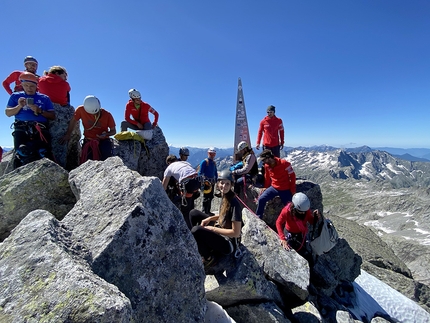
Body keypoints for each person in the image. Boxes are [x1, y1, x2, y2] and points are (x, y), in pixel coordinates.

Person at [189, 170, 242, 267]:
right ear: (218, 183)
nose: (224, 186)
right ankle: (199, 244)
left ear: (231, 186)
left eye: (227, 184)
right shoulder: (225, 195)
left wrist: (212, 229)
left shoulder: (234, 204)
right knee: (193, 213)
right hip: (220, 229)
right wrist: (209, 219)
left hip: (228, 243)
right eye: (222, 183)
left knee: (196, 230)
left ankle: (209, 258)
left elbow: (236, 232)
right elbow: (224, 215)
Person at [5, 72, 55, 168]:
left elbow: (52, 116)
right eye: (26, 85)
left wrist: (39, 110)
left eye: (32, 86)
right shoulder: (15, 97)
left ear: (36, 85)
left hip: (40, 128)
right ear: (22, 85)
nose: (29, 88)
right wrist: (19, 106)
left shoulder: (44, 98)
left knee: (43, 151)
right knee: (22, 152)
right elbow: (8, 113)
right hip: (21, 128)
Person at [61, 95, 116, 164]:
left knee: (106, 157)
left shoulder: (107, 115)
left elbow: (113, 131)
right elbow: (74, 120)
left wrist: (106, 134)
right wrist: (68, 134)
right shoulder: (81, 110)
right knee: (87, 161)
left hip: (103, 140)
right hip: (89, 140)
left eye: (96, 113)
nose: (94, 115)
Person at [38, 66, 73, 168]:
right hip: (60, 110)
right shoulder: (65, 84)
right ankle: (60, 168)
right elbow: (68, 91)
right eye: (64, 75)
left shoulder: (40, 80)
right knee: (59, 145)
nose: (65, 78)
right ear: (57, 73)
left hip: (43, 110)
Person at [276, 192, 320, 262]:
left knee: (305, 254)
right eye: (301, 211)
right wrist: (282, 238)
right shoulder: (286, 211)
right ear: (295, 207)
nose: (303, 213)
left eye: (304, 211)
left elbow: (311, 221)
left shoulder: (305, 210)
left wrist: (316, 218)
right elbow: (278, 223)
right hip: (289, 233)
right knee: (289, 253)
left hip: (300, 234)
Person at [162, 154, 201, 229]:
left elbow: (164, 186)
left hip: (188, 184)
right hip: (198, 181)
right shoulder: (185, 163)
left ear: (169, 163)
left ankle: (189, 230)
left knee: (185, 211)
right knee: (191, 204)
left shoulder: (169, 168)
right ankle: (195, 223)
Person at [256, 149, 296, 219]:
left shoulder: (284, 163)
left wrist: (293, 191)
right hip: (273, 188)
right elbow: (267, 176)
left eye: (264, 160)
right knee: (261, 199)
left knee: (290, 207)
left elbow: (292, 176)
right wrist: (266, 187)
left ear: (269, 158)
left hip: (285, 189)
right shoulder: (266, 165)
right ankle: (258, 217)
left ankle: (290, 224)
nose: (263, 162)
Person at [198, 147, 218, 215]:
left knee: (210, 197)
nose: (212, 155)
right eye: (211, 154)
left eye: (213, 154)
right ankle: (204, 212)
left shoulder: (213, 162)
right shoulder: (205, 162)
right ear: (208, 153)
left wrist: (216, 179)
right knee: (206, 197)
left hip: (211, 183)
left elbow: (215, 172)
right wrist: (203, 181)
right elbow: (200, 173)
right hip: (206, 183)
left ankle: (208, 211)